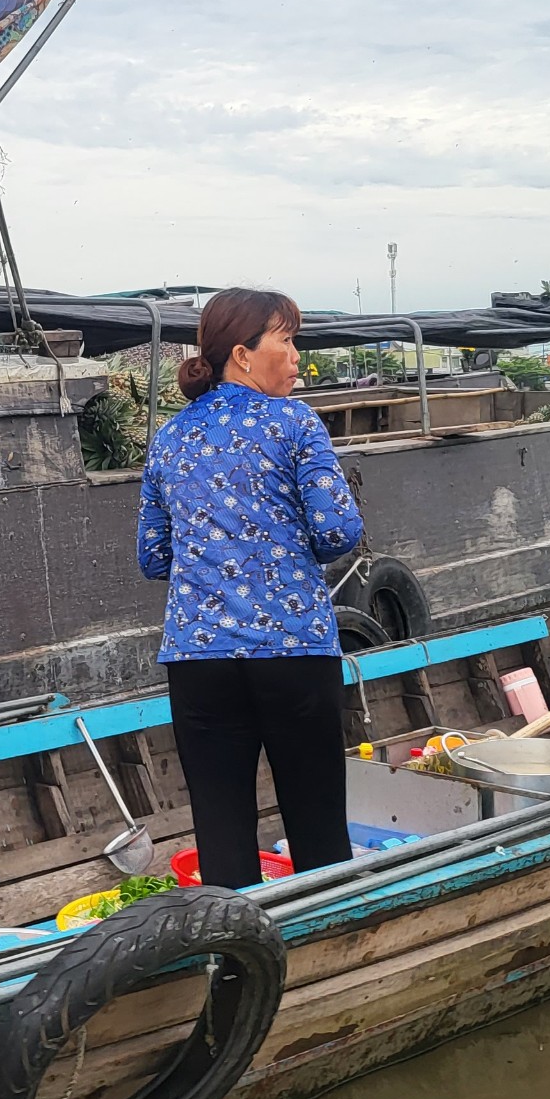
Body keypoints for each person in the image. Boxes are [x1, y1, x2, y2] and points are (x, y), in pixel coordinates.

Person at [137, 287, 364, 889]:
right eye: (286, 341)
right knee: (318, 830)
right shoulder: (295, 423)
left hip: (198, 659)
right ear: (243, 354)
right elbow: (339, 530)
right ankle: (329, 951)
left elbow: (153, 557)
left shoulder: (171, 437)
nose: (296, 358)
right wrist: (281, 550)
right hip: (293, 653)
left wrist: (216, 556)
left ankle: (234, 964)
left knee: (221, 838)